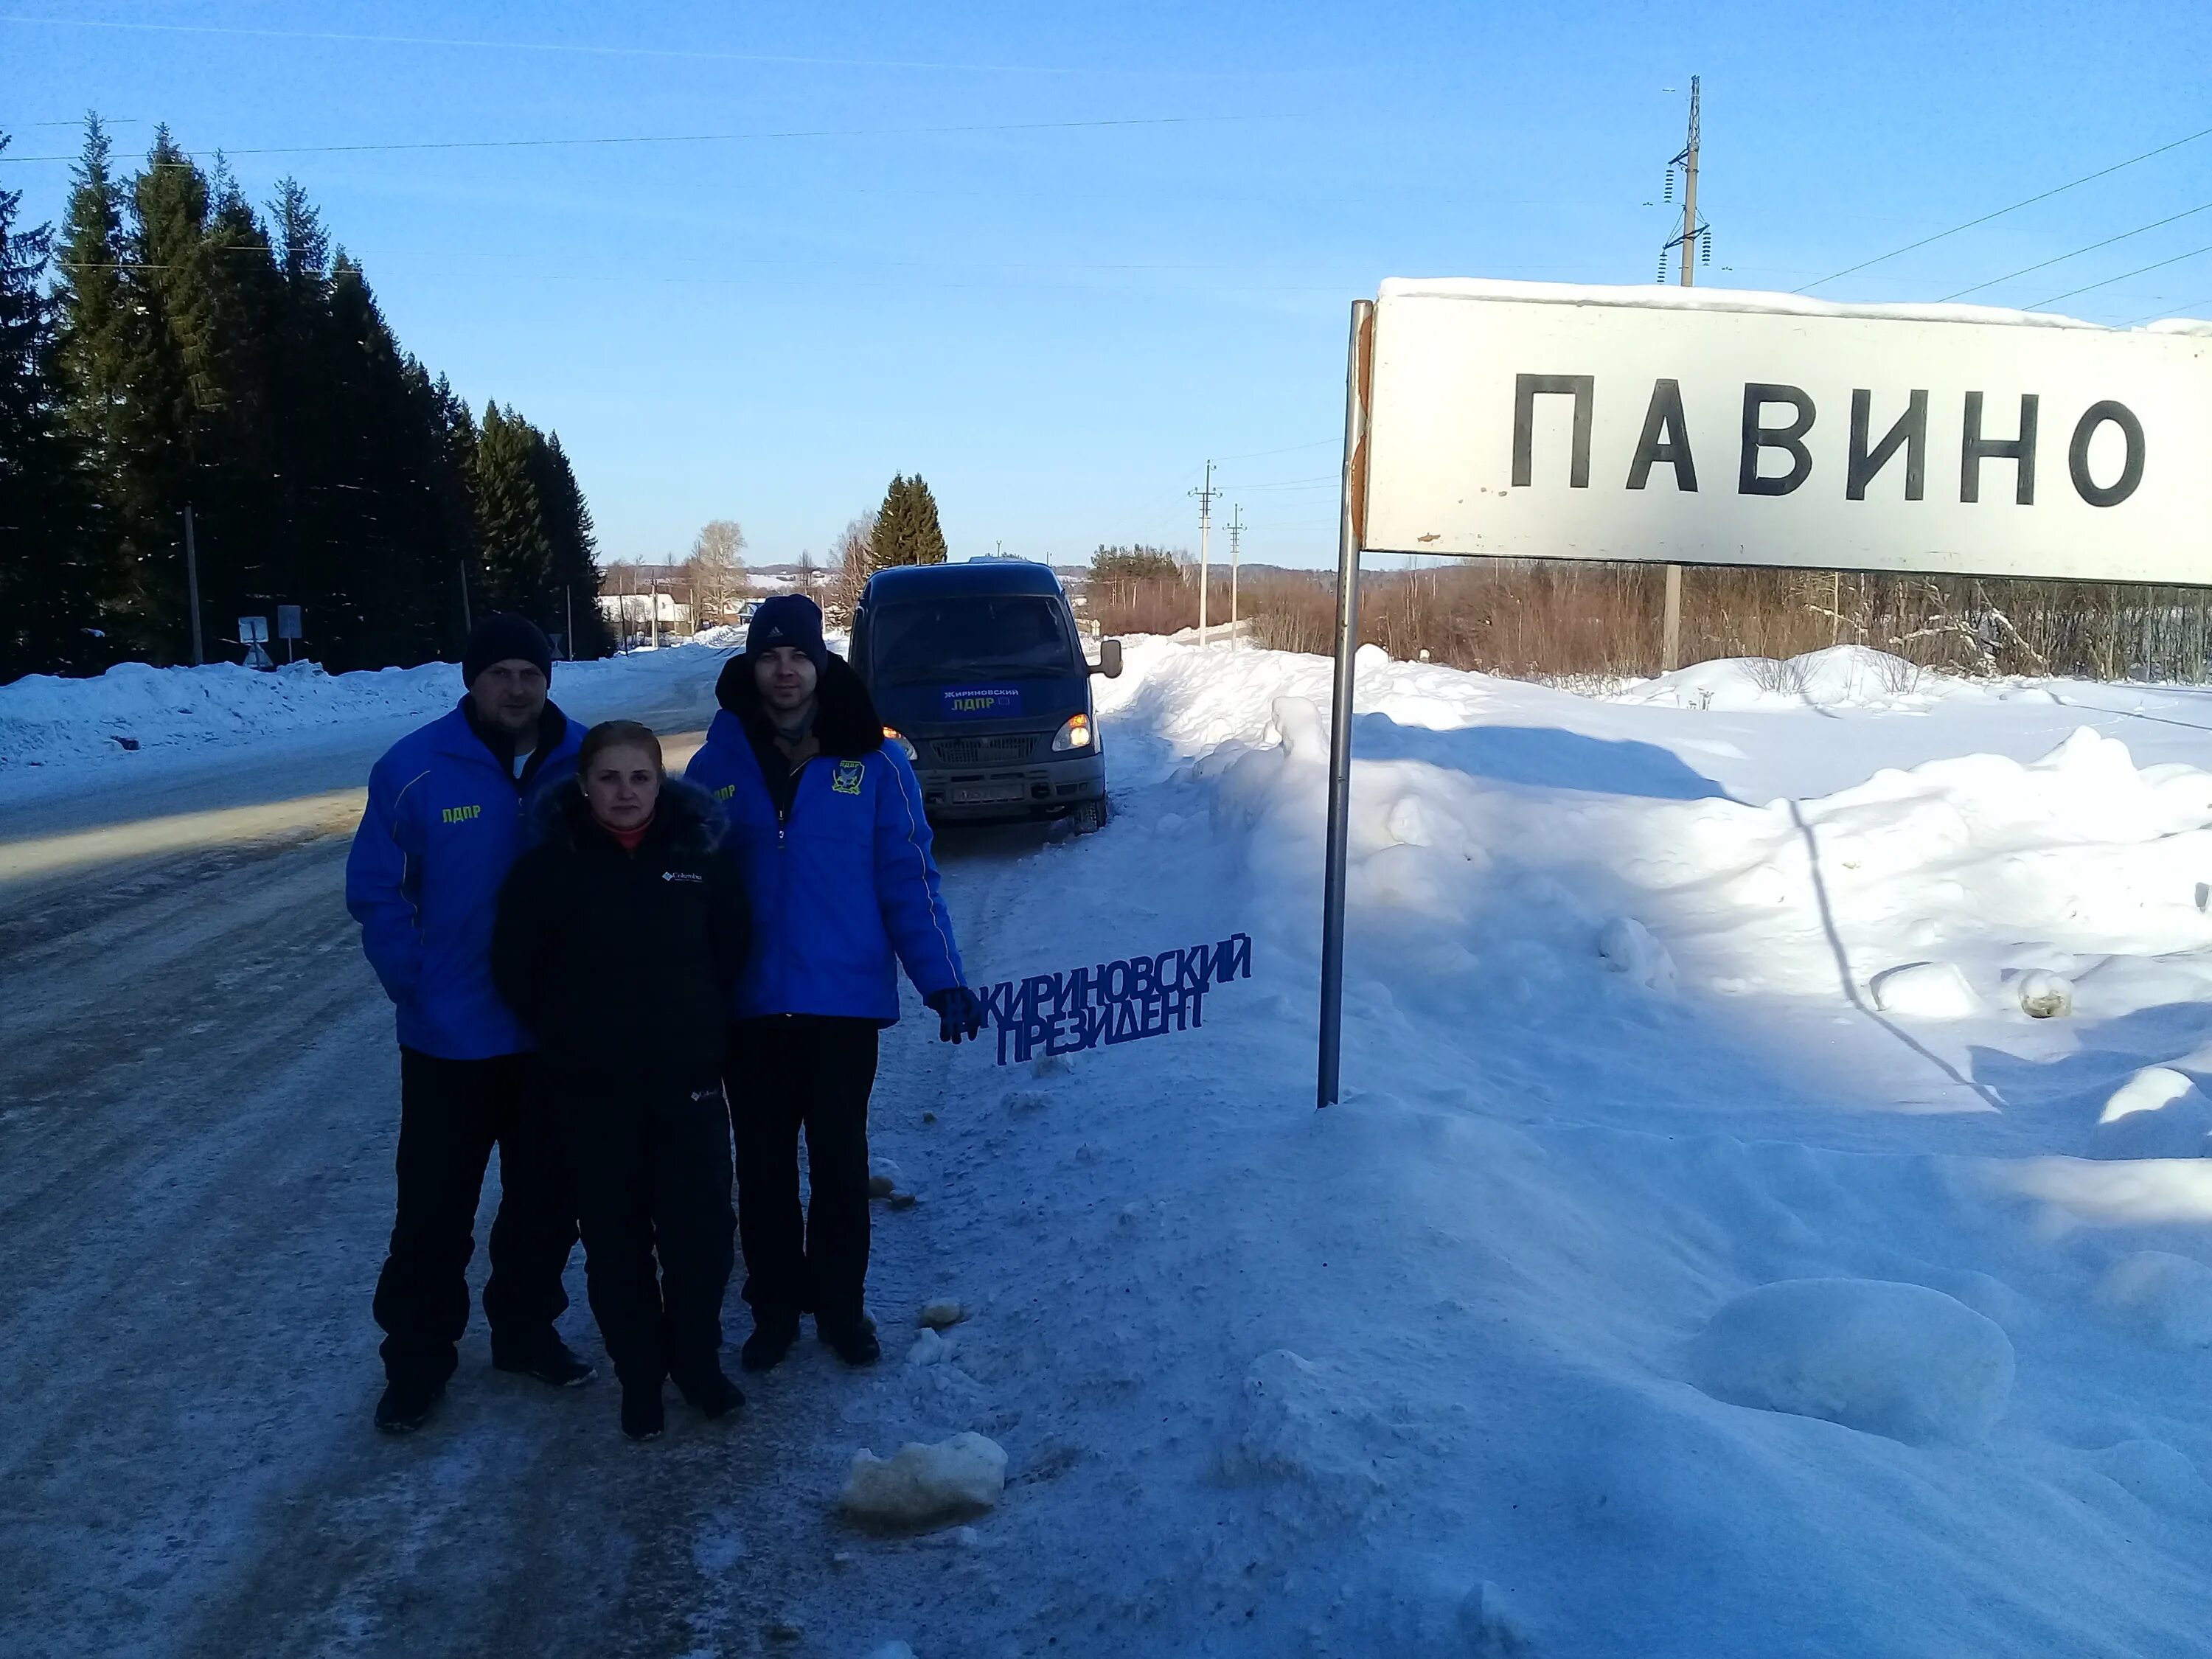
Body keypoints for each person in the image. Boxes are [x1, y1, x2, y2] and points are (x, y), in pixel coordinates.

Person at [686, 594, 987, 1371]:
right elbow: (686, 892)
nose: (784, 671)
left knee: (841, 1168)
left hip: (842, 1005)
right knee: (763, 1173)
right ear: (750, 665)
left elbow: (908, 879)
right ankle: (776, 1311)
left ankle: (842, 1312)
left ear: (821, 662)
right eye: (769, 656)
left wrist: (943, 980)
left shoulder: (875, 761)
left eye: (798, 655)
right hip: (749, 1009)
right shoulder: (715, 765)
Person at [345, 613, 592, 1433]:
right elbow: (378, 890)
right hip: (449, 1037)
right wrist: (413, 982)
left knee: (545, 1203)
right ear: (472, 681)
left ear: (548, 679)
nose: (516, 689)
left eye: (530, 673)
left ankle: (525, 1332)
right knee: (434, 1211)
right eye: (499, 675)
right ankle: (417, 1361)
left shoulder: (586, 761)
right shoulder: (414, 769)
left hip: (552, 1034)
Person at [493, 722, 750, 1441]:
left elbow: (733, 952)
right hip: (592, 1097)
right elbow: (516, 972)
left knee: (700, 1240)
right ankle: (640, 1380)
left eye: (639, 777)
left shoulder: (702, 862)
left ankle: (697, 1367)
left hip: (689, 1088)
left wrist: (697, 1031)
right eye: (609, 778)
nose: (625, 792)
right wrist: (573, 1039)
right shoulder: (546, 873)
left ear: (659, 781)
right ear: (583, 785)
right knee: (616, 1245)